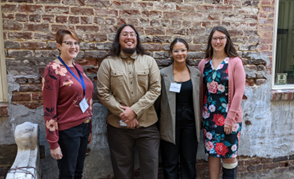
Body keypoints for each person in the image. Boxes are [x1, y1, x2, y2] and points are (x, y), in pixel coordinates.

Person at [97, 24, 161, 179]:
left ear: (137, 39)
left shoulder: (149, 61)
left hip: (147, 125)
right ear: (119, 39)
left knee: (151, 170)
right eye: (124, 34)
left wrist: (134, 111)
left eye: (132, 34)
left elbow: (155, 89)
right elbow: (103, 92)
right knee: (122, 171)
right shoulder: (108, 63)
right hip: (118, 128)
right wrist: (124, 114)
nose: (129, 37)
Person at [42, 29, 94, 179]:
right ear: (59, 45)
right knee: (67, 174)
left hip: (83, 127)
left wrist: (89, 128)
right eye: (68, 43)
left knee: (78, 172)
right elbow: (49, 108)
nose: (74, 46)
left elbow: (86, 99)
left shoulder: (78, 68)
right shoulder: (52, 70)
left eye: (76, 43)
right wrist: (53, 142)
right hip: (67, 131)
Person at [198, 26, 245, 179]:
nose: (218, 41)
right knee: (212, 152)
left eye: (221, 38)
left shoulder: (235, 62)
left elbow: (239, 92)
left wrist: (230, 119)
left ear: (227, 40)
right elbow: (201, 93)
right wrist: (200, 117)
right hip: (209, 117)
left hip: (229, 117)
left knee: (229, 153)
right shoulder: (203, 64)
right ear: (210, 41)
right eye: (215, 38)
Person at [155, 38, 201, 179]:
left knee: (189, 161)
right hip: (169, 123)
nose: (180, 53)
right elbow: (158, 102)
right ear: (171, 53)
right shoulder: (163, 74)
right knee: (170, 162)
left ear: (187, 51)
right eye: (176, 50)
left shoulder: (196, 74)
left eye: (183, 50)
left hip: (190, 124)